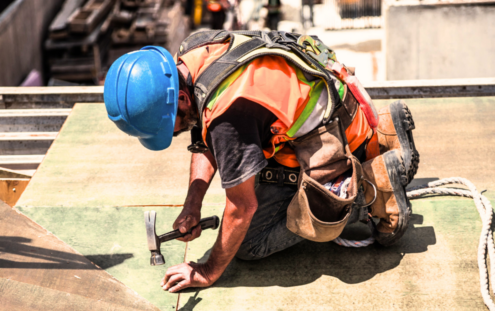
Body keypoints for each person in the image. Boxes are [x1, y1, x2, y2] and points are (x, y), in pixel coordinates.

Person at [103, 30, 419, 293]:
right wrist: (192, 204)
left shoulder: (229, 115)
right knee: (246, 171)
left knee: (251, 243)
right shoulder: (195, 51)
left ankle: (372, 186)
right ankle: (385, 135)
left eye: (167, 127)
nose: (171, 135)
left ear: (182, 99)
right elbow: (204, 135)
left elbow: (242, 208)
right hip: (342, 111)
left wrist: (208, 271)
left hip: (335, 143)